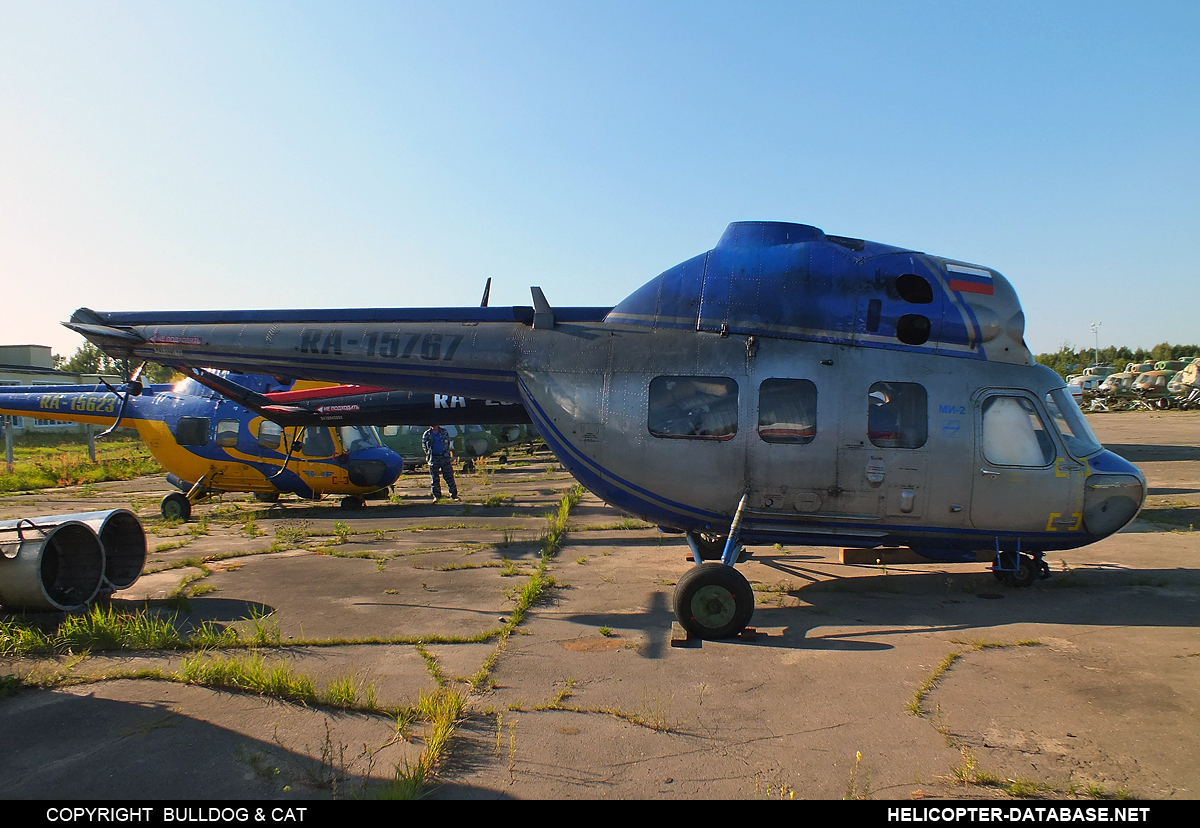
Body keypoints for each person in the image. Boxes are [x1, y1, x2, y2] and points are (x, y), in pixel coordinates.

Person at [422, 424, 458, 501]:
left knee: (449, 477)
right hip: (433, 458)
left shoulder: (444, 431)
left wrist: (446, 453)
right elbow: (424, 445)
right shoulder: (427, 434)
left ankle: (454, 495)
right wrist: (428, 453)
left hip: (444, 457)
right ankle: (437, 496)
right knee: (434, 478)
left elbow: (447, 442)